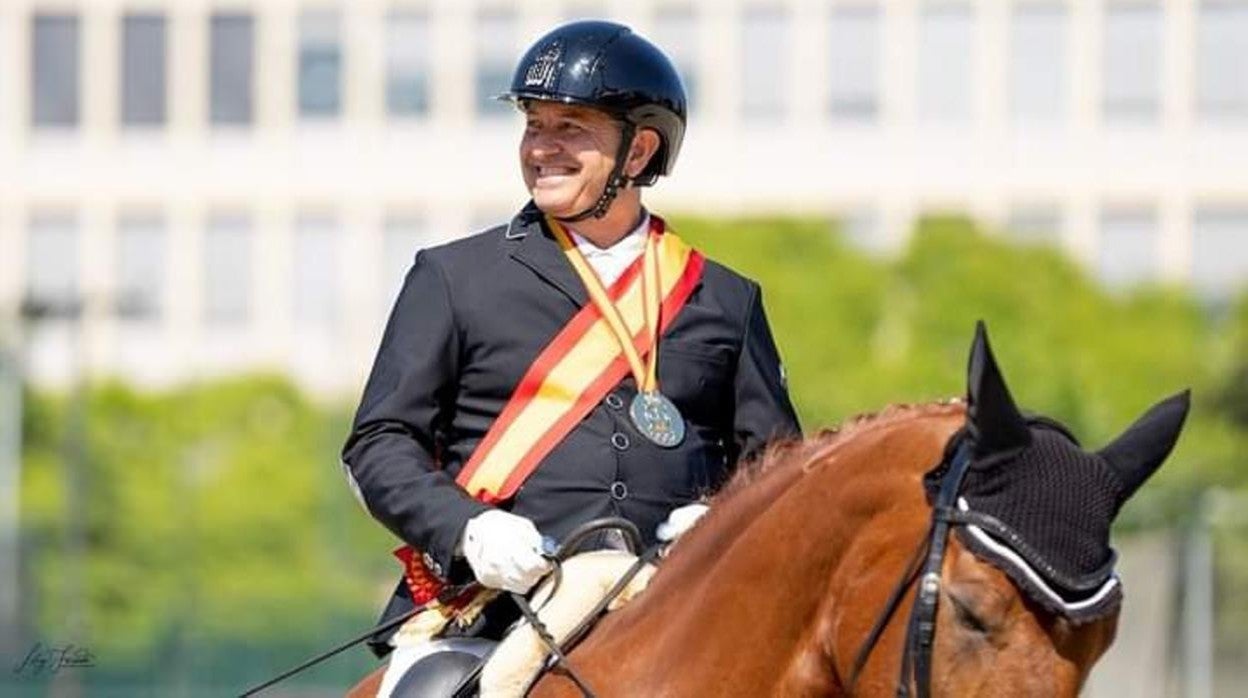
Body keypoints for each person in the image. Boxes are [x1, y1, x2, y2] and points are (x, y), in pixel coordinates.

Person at [341, 19, 800, 696]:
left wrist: (723, 524)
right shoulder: (453, 277)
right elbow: (381, 443)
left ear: (638, 151)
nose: (542, 150)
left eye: (571, 129)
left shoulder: (724, 299)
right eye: (535, 126)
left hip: (677, 604)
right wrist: (469, 529)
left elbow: (780, 465)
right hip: (497, 604)